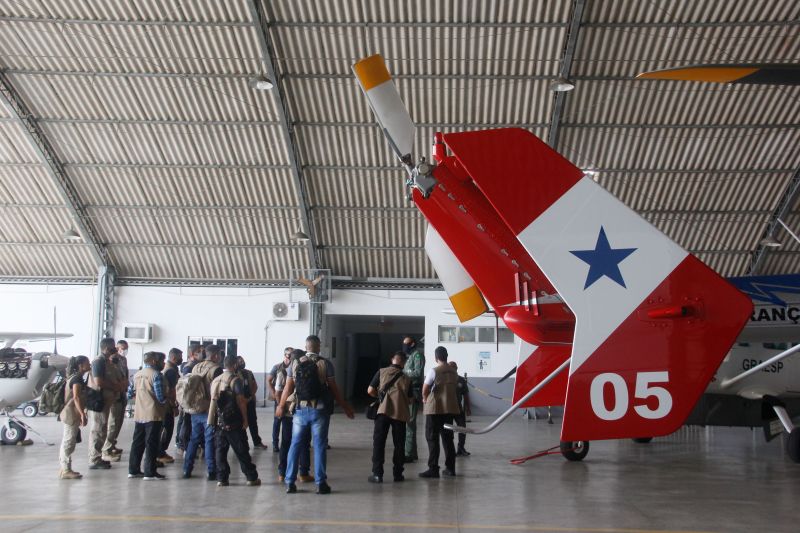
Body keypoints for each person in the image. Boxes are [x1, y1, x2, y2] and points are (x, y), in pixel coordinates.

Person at [277, 335, 354, 495]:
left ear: (306, 347)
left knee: (295, 444)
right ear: (318, 347)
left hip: (299, 410)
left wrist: (281, 405)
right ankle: (320, 483)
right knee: (319, 446)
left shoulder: (295, 363)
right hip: (320, 410)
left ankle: (290, 482)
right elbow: (334, 388)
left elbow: (287, 388)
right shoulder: (325, 364)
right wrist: (345, 406)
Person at [209, 354, 260, 487]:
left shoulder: (216, 380)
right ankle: (251, 477)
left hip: (219, 421)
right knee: (241, 449)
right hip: (234, 421)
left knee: (220, 451)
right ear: (235, 365)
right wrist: (245, 419)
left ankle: (222, 478)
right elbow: (241, 401)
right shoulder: (235, 380)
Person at [366, 351, 412, 483]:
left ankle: (377, 474)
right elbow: (410, 399)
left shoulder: (381, 372)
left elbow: (370, 390)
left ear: (392, 360)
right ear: (404, 362)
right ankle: (398, 474)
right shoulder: (407, 378)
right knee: (399, 445)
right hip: (400, 414)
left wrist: (380, 398)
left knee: (379, 443)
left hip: (383, 412)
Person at [182, 344, 223, 480]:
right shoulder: (216, 369)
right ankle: (211, 471)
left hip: (195, 408)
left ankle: (186, 469)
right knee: (209, 440)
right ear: (216, 355)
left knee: (194, 439)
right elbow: (218, 391)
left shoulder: (196, 366)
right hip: (209, 408)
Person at [419, 346, 459, 478]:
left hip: (435, 409)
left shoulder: (434, 371)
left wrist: (425, 399)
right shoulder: (454, 372)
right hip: (450, 409)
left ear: (436, 358)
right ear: (446, 356)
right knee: (448, 439)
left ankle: (433, 469)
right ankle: (450, 468)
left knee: (432, 438)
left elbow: (425, 389)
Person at [128, 352, 167, 480]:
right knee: (151, 443)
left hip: (139, 413)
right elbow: (160, 398)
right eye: (162, 361)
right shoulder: (156, 375)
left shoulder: (137, 375)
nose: (163, 364)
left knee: (137, 442)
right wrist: (170, 402)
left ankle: (133, 470)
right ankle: (149, 472)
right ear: (155, 362)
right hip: (153, 414)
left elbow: (129, 394)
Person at [87, 338, 126, 469]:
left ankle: (99, 455)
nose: (115, 349)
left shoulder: (108, 361)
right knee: (98, 429)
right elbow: (99, 381)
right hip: (99, 400)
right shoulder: (98, 362)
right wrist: (115, 387)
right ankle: (94, 458)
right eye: (113, 347)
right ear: (107, 348)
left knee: (103, 428)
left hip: (109, 399)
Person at [277, 349, 311, 483]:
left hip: (287, 411)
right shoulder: (307, 369)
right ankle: (303, 473)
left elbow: (281, 391)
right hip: (302, 410)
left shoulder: (285, 371)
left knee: (285, 442)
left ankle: (282, 473)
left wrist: (280, 406)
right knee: (304, 443)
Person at [58, 355, 90, 480]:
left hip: (72, 413)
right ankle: (65, 469)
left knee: (69, 440)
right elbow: (76, 397)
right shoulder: (77, 379)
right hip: (71, 413)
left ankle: (65, 468)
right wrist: (82, 414)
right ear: (81, 366)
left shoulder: (76, 377)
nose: (89, 365)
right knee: (68, 441)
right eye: (87, 363)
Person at [103, 340, 130, 461]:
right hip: (115, 394)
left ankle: (112, 444)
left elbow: (125, 374)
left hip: (123, 392)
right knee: (113, 422)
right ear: (116, 348)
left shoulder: (123, 360)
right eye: (122, 348)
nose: (123, 351)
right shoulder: (111, 360)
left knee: (119, 422)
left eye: (126, 348)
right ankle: (107, 448)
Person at [175, 343, 202, 454]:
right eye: (200, 351)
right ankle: (183, 445)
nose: (202, 353)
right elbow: (187, 384)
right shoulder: (189, 367)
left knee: (187, 422)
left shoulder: (196, 365)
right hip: (188, 399)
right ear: (193, 354)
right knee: (186, 422)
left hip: (193, 399)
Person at [402, 336, 425, 463]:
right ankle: (412, 453)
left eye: (407, 344)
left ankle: (408, 453)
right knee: (409, 424)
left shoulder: (417, 356)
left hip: (414, 391)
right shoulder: (410, 356)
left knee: (409, 423)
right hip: (408, 390)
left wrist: (404, 373)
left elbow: (417, 373)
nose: (404, 346)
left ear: (412, 344)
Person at [237, 355, 267, 450]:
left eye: (243, 360)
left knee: (253, 422)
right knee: (240, 423)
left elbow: (255, 386)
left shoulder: (249, 373)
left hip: (250, 401)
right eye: (240, 361)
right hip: (239, 403)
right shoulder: (234, 374)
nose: (242, 362)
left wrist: (250, 397)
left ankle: (257, 442)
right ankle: (240, 443)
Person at [158, 348, 182, 464]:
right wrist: (174, 406)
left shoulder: (169, 368)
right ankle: (160, 452)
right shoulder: (171, 371)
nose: (181, 359)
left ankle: (160, 451)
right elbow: (171, 390)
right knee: (167, 429)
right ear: (174, 358)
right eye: (180, 357)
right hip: (167, 405)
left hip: (164, 404)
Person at [267, 347, 292, 452]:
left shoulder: (293, 367)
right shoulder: (277, 367)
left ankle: (286, 444)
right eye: (289, 355)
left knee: (288, 422)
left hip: (289, 400)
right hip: (279, 398)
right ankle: (275, 443)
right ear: (285, 356)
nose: (291, 358)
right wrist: (274, 395)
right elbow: (268, 380)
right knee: (277, 421)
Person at [449, 361, 472, 456]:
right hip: (447, 409)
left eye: (454, 368)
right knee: (448, 429)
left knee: (462, 428)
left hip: (458, 408)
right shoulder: (445, 379)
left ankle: (461, 448)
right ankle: (450, 449)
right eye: (451, 368)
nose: (453, 369)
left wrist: (468, 408)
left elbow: (466, 395)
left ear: (457, 368)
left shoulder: (461, 380)